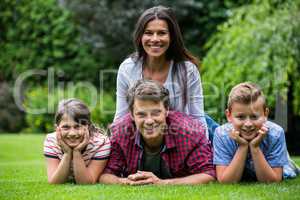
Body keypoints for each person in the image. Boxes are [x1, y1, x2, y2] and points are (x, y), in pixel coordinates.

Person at [114, 5, 218, 139]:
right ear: (140, 36)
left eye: (162, 33)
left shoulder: (187, 70)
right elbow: (121, 118)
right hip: (147, 139)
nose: (155, 39)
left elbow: (198, 118)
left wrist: (203, 151)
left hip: (183, 138)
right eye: (149, 33)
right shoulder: (127, 69)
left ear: (172, 37)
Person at [99, 80, 215, 185]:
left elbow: (208, 174)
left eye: (155, 113)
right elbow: (105, 175)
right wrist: (125, 181)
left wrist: (162, 183)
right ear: (131, 114)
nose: (149, 121)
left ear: (166, 110)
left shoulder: (190, 133)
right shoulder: (120, 132)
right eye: (141, 114)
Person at [213, 82, 299, 183]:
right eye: (241, 117)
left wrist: (255, 147)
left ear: (265, 114)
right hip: (243, 171)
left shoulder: (275, 133)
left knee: (288, 169)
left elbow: (273, 181)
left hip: (276, 166)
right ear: (229, 116)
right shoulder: (222, 134)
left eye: (254, 117)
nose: (248, 124)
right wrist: (243, 147)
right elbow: (225, 181)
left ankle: (288, 160)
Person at [43, 98, 111, 184]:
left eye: (77, 126)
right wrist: (67, 153)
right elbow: (55, 182)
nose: (72, 133)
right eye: (66, 127)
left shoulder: (101, 143)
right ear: (57, 128)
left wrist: (77, 152)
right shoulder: (51, 141)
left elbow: (86, 182)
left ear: (88, 126)